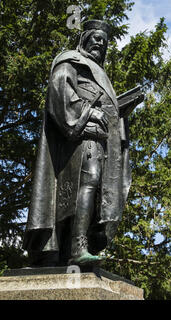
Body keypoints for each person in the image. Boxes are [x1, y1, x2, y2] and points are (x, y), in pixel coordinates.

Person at [23, 20, 132, 267]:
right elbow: (60, 88)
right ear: (84, 38)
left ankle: (68, 249)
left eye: (104, 41)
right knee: (88, 182)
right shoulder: (70, 61)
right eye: (95, 38)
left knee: (93, 192)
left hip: (99, 139)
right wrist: (90, 113)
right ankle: (77, 248)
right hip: (79, 138)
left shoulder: (99, 72)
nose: (100, 43)